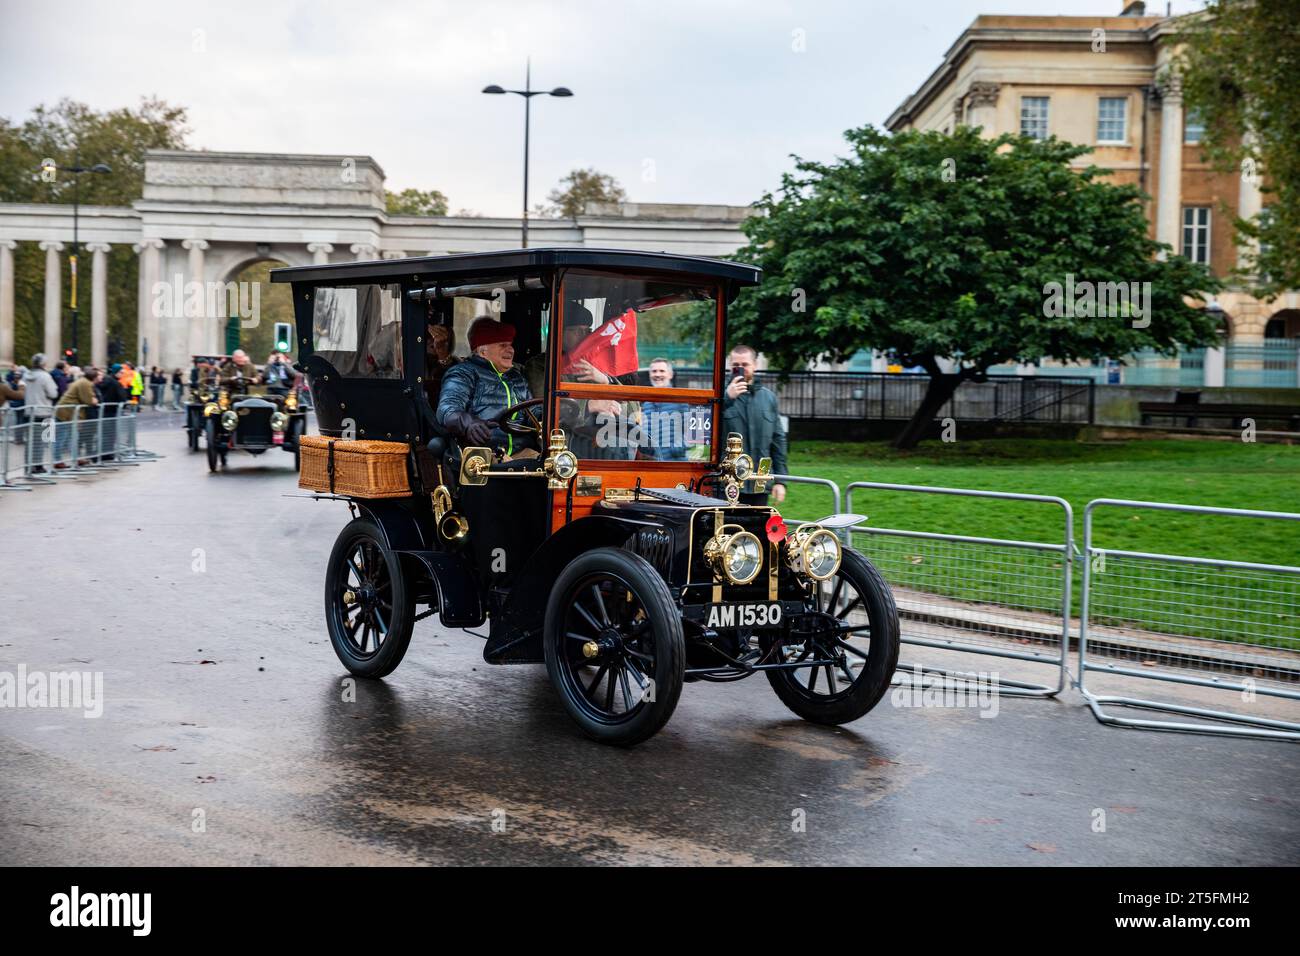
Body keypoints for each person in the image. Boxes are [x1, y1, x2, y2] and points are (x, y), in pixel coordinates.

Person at [436, 317, 535, 458]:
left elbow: (533, 411)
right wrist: (469, 423)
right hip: (484, 454)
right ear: (483, 351)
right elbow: (447, 410)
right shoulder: (464, 373)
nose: (510, 350)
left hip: (521, 451)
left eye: (510, 345)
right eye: (502, 345)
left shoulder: (516, 377)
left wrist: (552, 415)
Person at [722, 344, 788, 505]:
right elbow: (705, 430)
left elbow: (778, 440)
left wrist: (780, 480)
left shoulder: (768, 398)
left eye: (745, 365)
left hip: (760, 479)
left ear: (755, 366)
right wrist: (726, 399)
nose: (740, 369)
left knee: (757, 528)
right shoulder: (719, 395)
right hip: (728, 482)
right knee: (727, 529)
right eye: (735, 366)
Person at [642, 358, 689, 461]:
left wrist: (677, 449)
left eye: (662, 371)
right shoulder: (645, 403)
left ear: (670, 375)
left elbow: (690, 430)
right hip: (652, 462)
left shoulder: (680, 399)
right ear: (650, 374)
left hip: (675, 463)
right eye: (654, 371)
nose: (657, 374)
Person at [54, 366, 100, 467]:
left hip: (68, 412)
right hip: (66, 413)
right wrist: (94, 400)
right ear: (94, 377)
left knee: (73, 437)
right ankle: (56, 461)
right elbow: (88, 401)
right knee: (62, 437)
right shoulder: (86, 383)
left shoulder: (83, 381)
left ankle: (76, 458)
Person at [22, 354, 59, 473]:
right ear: (43, 364)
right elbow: (53, 394)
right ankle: (38, 465)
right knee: (43, 441)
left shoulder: (25, 375)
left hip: (29, 411)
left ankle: (28, 465)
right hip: (44, 411)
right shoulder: (45, 376)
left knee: (30, 441)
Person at [423, 321, 459, 411]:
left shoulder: (455, 364)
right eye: (428, 335)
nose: (434, 339)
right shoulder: (413, 361)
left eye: (440, 335)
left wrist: (442, 352)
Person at [97, 363, 130, 461]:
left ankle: (104, 453)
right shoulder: (116, 383)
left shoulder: (104, 381)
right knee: (110, 434)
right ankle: (107, 454)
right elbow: (122, 398)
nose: (122, 374)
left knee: (104, 433)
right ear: (115, 372)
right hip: (111, 411)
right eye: (121, 372)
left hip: (103, 410)